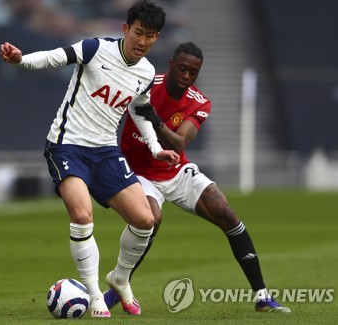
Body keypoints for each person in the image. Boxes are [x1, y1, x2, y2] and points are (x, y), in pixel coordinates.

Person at [0, 0, 180, 318]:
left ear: (157, 37)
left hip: (106, 151)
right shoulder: (95, 48)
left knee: (145, 221)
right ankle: (95, 294)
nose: (143, 41)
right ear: (125, 28)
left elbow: (138, 110)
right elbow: (55, 57)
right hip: (67, 145)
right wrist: (20, 60)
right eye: (138, 32)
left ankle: (120, 278)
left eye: (151, 35)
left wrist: (154, 148)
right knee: (82, 216)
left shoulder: (147, 71)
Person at [104, 42, 290, 313]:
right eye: (182, 68)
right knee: (150, 221)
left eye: (194, 72)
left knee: (225, 211)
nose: (187, 76)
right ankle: (115, 290)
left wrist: (157, 122)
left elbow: (180, 143)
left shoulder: (199, 102)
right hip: (139, 173)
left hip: (176, 170)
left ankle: (262, 296)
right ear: (170, 64)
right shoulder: (144, 83)